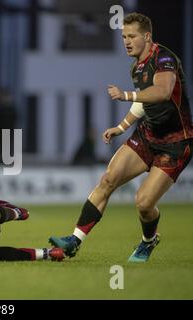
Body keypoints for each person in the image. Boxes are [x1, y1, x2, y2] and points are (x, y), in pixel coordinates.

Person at [49, 13, 193, 262]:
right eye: (124, 36)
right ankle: (74, 240)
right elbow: (143, 102)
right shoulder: (136, 66)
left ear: (147, 37)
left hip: (175, 144)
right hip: (147, 136)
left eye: (132, 36)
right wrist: (121, 126)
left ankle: (149, 240)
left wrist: (125, 95)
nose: (126, 41)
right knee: (108, 180)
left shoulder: (165, 58)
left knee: (144, 204)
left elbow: (162, 92)